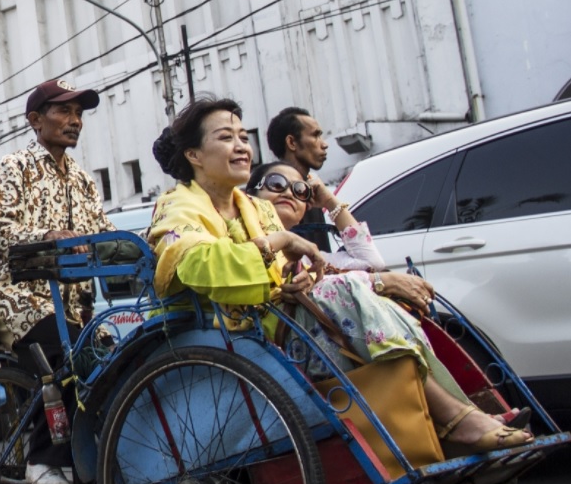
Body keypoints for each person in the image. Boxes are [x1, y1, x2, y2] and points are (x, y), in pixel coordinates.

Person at [149, 99, 532, 457]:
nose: (241, 147)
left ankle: (453, 415)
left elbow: (284, 274)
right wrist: (277, 242)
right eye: (225, 138)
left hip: (279, 321)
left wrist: (293, 281)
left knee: (368, 296)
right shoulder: (178, 206)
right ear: (194, 155)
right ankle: (455, 418)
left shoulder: (253, 208)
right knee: (349, 290)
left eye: (244, 138)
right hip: (227, 335)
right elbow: (196, 264)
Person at [248, 159, 532, 430]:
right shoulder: (252, 247)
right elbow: (368, 277)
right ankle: (460, 419)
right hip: (295, 352)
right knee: (354, 292)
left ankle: (463, 416)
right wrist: (380, 282)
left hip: (334, 343)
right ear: (252, 195)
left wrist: (329, 201)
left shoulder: (315, 256)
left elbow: (371, 260)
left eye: (300, 190)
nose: (288, 192)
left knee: (398, 309)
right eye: (275, 183)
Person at [0, 78, 116, 484]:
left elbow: (102, 231)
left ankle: (96, 448)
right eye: (64, 111)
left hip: (71, 304)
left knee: (110, 357)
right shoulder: (12, 167)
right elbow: (1, 233)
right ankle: (41, 457)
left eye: (79, 114)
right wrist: (49, 234)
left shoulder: (82, 179)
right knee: (63, 351)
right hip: (15, 298)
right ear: (36, 120)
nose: (74, 121)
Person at [267, 106, 332, 250]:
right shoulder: (275, 196)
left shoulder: (312, 190)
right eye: (315, 135)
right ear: (291, 143)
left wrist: (331, 202)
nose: (324, 144)